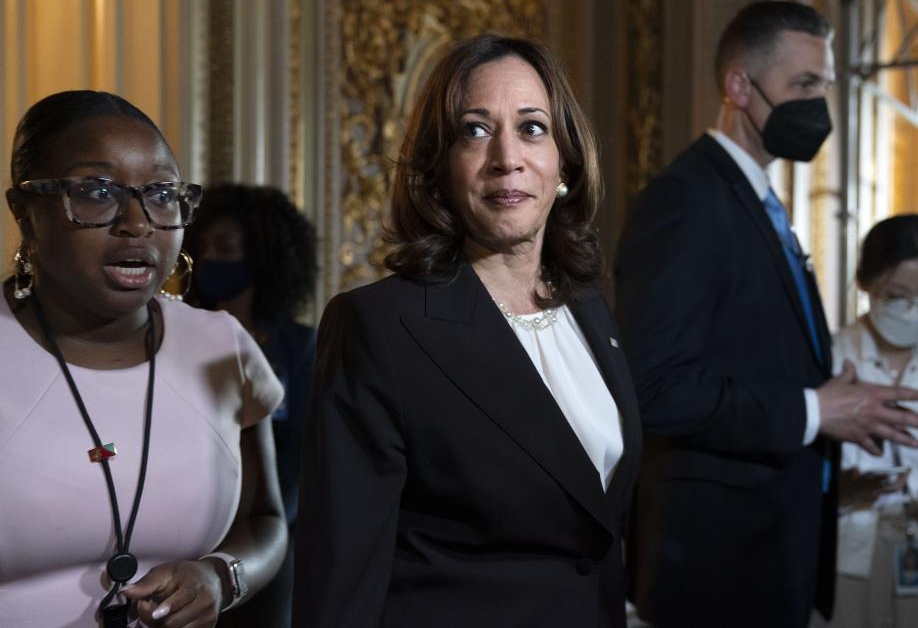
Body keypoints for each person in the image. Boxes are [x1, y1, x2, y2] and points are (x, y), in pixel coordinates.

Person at [292, 34, 643, 628]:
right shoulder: (377, 327)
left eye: (532, 128)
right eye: (475, 131)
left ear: (564, 161)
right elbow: (341, 570)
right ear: (440, 167)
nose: (507, 156)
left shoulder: (590, 309)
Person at [614, 0, 918, 628]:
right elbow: (654, 388)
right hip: (714, 565)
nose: (820, 106)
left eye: (826, 86)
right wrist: (816, 411)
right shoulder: (687, 201)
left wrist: (832, 399)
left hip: (772, 551)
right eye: (804, 86)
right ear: (739, 86)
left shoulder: (757, 198)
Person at [0, 91, 287, 628]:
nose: (137, 222)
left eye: (160, 193)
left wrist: (221, 577)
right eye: (96, 191)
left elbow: (265, 520)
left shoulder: (221, 345)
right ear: (26, 213)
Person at [184, 183, 318, 628]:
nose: (209, 259)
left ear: (260, 256)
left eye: (225, 248)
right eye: (202, 247)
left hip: (273, 536)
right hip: (191, 532)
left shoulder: (298, 347)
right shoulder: (181, 338)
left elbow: (307, 451)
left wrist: (269, 527)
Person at [824, 214, 918, 627]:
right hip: (846, 551)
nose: (915, 310)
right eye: (898, 295)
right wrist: (837, 487)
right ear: (866, 285)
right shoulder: (827, 357)